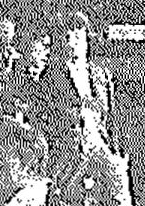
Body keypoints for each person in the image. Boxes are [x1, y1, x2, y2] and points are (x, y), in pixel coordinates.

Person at [36, 10, 113, 151]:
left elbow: (107, 117)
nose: (74, 43)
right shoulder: (52, 75)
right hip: (68, 149)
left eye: (80, 37)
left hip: (98, 145)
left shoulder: (99, 74)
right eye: (68, 38)